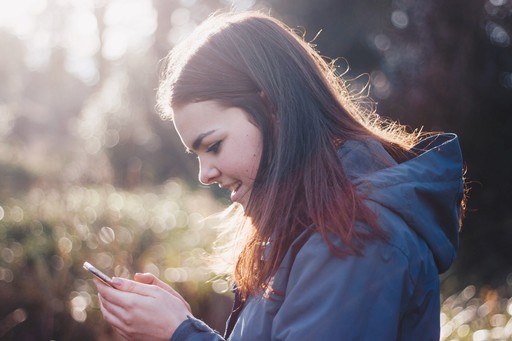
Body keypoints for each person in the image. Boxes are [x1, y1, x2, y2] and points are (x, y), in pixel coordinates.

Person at [93, 10, 466, 340]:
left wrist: (180, 333)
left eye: (214, 145)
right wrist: (179, 326)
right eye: (197, 154)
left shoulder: (355, 236)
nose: (205, 174)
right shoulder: (314, 223)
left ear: (271, 107)